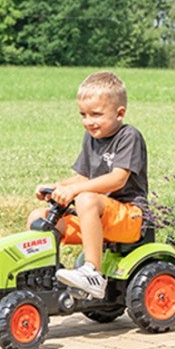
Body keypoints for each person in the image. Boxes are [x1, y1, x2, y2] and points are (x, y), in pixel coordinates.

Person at [28, 71, 148, 299]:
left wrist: (74, 191)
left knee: (85, 198)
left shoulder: (129, 136)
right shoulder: (91, 138)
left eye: (96, 114)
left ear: (119, 113)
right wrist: (57, 187)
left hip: (130, 216)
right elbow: (84, 178)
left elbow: (117, 179)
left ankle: (93, 273)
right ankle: (43, 276)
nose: (88, 121)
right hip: (96, 214)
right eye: (83, 114)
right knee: (39, 216)